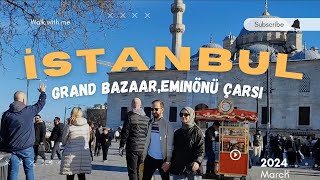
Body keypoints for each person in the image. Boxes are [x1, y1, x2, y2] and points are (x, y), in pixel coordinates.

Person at [0, 84, 46, 180]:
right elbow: (40, 104)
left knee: (13, 171)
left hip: (12, 149)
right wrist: (42, 92)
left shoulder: (6, 114)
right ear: (24, 100)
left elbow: (3, 133)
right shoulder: (29, 111)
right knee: (29, 171)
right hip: (27, 148)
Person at [142, 100, 174, 180]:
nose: (153, 111)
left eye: (156, 109)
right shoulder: (149, 123)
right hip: (150, 157)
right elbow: (146, 141)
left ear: (162, 109)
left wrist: (168, 161)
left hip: (162, 159)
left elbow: (170, 145)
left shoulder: (167, 125)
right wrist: (142, 157)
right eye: (152, 109)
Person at [120, 97, 150, 180]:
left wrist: (122, 145)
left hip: (132, 148)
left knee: (132, 171)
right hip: (143, 149)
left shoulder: (130, 116)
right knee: (140, 171)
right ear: (140, 105)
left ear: (132, 105)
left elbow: (125, 132)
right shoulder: (147, 119)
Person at [170, 107, 204, 180]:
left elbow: (201, 150)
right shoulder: (177, 133)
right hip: (178, 168)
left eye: (186, 114)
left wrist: (198, 162)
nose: (183, 116)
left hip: (192, 168)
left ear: (191, 115)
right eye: (181, 114)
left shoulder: (197, 132)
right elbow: (173, 150)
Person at [60, 107, 91, 180]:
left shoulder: (69, 125)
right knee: (82, 176)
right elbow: (87, 140)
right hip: (83, 154)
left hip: (71, 153)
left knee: (70, 176)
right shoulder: (86, 125)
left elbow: (64, 141)